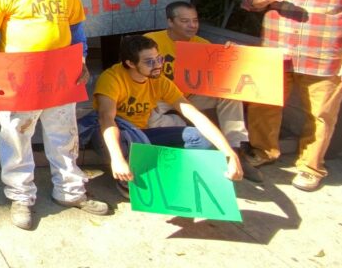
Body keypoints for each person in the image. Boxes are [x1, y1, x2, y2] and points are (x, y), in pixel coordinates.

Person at [0, 0, 108, 230]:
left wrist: (82, 60)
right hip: (18, 72)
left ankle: (70, 190)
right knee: (16, 134)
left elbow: (77, 27)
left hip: (60, 71)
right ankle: (21, 195)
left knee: (64, 132)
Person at [242, 0, 342, 192]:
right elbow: (250, 1)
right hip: (277, 52)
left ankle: (311, 167)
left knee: (321, 115)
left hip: (326, 56)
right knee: (264, 105)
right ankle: (263, 151)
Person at [83, 35, 243, 198]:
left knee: (203, 139)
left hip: (142, 134)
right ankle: (127, 178)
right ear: (130, 63)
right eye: (149, 62)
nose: (158, 65)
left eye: (159, 59)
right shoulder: (111, 78)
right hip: (110, 136)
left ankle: (163, 171)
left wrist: (229, 153)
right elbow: (106, 119)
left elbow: (194, 114)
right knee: (123, 140)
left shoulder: (159, 80)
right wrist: (117, 159)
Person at [143, 1, 261, 181]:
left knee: (229, 95)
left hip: (188, 97)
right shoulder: (151, 40)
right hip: (157, 98)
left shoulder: (203, 44)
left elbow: (219, 75)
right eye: (185, 21)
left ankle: (235, 151)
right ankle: (186, 134)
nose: (192, 26)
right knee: (152, 127)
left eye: (195, 21)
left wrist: (229, 54)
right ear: (170, 22)